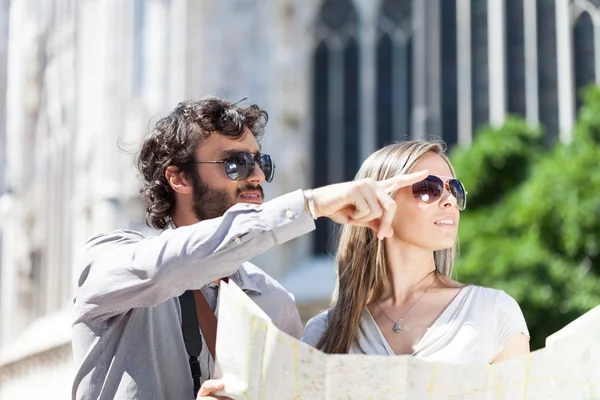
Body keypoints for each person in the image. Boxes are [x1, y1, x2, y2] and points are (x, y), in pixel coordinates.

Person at [71, 97, 429, 400]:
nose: (256, 175)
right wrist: (310, 205)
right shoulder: (108, 262)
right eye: (236, 164)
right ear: (178, 177)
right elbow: (173, 265)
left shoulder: (276, 304)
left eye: (261, 162)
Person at [302, 140, 530, 364]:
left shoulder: (492, 311)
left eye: (455, 190)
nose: (449, 200)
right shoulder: (324, 332)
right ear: (379, 202)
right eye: (429, 188)